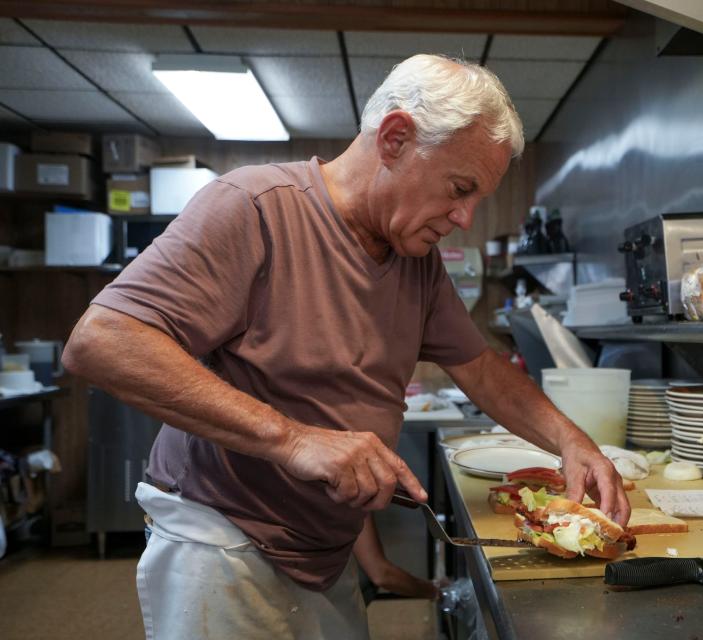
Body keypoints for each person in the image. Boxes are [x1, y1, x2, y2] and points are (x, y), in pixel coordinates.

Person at [63, 54, 629, 640]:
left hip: (325, 550)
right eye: (460, 189)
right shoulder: (255, 207)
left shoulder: (418, 264)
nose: (465, 217)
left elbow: (482, 369)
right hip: (224, 545)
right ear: (395, 138)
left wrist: (571, 441)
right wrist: (294, 439)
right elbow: (102, 341)